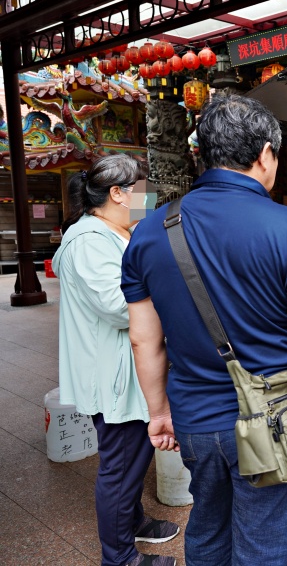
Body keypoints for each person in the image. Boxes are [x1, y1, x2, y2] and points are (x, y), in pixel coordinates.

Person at [122, 94, 287, 566]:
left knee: (207, 530)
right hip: (276, 424)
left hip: (194, 420)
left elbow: (144, 339)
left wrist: (159, 411)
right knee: (264, 547)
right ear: (265, 155)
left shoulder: (150, 232)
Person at [52, 155, 180, 566]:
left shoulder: (113, 232)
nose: (151, 196)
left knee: (131, 460)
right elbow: (117, 306)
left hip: (124, 369)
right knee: (121, 468)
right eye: (144, 187)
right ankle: (120, 556)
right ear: (118, 194)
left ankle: (135, 522)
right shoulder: (90, 240)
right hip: (111, 375)